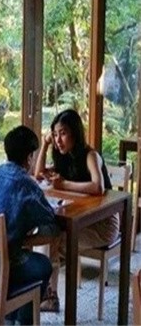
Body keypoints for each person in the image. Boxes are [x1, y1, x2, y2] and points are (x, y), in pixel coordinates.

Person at [0, 126, 58, 325]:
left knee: (21, 260)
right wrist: (26, 240)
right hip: (3, 268)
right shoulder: (26, 185)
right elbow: (49, 220)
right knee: (43, 265)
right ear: (29, 157)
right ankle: (23, 321)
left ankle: (9, 318)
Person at [34, 108, 119, 312]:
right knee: (47, 236)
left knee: (51, 240)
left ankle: (48, 296)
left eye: (63, 133)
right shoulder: (63, 157)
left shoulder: (91, 155)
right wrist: (45, 144)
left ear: (75, 133)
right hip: (80, 220)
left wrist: (64, 184)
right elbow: (38, 174)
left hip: (103, 224)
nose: (58, 139)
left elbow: (98, 186)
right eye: (55, 134)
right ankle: (46, 293)